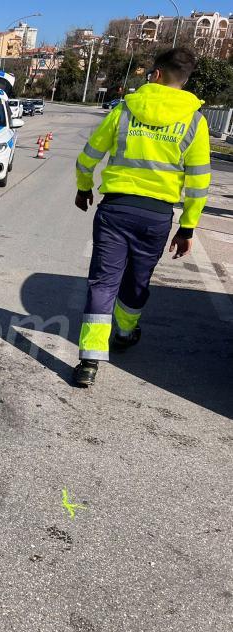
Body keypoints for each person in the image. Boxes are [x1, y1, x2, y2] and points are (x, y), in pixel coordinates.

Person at [71, 47, 211, 387]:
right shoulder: (195, 120)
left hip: (115, 209)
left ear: (158, 75)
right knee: (137, 281)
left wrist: (84, 187)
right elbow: (198, 180)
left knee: (103, 282)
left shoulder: (124, 110)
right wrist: (187, 226)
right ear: (184, 80)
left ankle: (89, 361)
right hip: (157, 216)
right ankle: (126, 332)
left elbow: (89, 155)